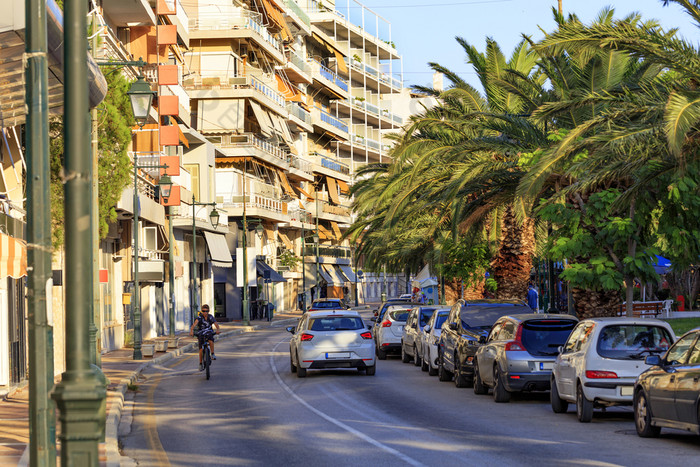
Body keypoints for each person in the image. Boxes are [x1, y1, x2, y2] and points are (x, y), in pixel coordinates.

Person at [189, 304, 220, 371]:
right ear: (202, 311)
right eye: (203, 311)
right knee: (200, 349)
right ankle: (200, 363)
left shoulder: (210, 317)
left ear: (208, 311)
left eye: (206, 311)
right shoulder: (199, 318)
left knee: (211, 340)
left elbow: (216, 324)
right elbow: (194, 324)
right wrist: (191, 331)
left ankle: (212, 353)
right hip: (201, 333)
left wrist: (217, 330)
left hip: (209, 332)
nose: (205, 312)